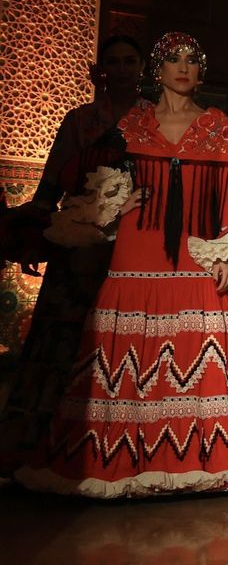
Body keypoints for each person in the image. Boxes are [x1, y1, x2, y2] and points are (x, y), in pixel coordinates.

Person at [16, 33, 228, 497]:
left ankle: (192, 459)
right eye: (173, 59)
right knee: (121, 356)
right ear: (158, 69)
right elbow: (78, 174)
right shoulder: (133, 122)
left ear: (201, 71)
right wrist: (115, 203)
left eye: (192, 60)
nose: (183, 67)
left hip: (196, 253)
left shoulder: (217, 125)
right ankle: (116, 460)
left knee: (197, 349)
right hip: (137, 248)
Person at [0, 36, 146, 472]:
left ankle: (114, 448)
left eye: (130, 61)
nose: (122, 68)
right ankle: (37, 446)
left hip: (131, 242)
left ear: (142, 68)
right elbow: (50, 182)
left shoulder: (152, 119)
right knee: (60, 336)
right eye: (114, 61)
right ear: (102, 69)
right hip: (77, 237)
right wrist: (37, 236)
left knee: (119, 340)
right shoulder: (80, 119)